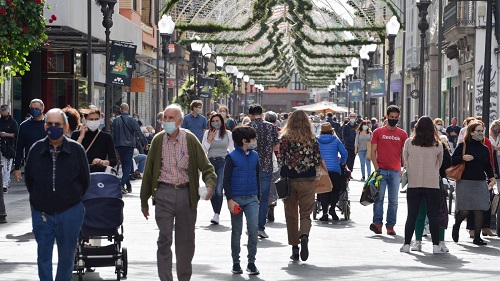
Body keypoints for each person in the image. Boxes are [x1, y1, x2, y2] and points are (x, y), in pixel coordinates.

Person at [140, 104, 216, 281]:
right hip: (163, 193)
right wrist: (144, 201)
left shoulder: (189, 139)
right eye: (164, 118)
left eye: (170, 118)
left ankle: (184, 277)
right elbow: (149, 172)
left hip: (185, 195)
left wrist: (210, 185)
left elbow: (207, 168)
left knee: (185, 241)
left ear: (180, 121)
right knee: (164, 237)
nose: (166, 121)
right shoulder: (158, 140)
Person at [25, 108, 90, 281]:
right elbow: (29, 179)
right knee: (43, 257)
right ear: (45, 126)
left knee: (67, 257)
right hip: (42, 213)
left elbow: (85, 180)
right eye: (50, 124)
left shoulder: (76, 150)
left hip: (70, 211)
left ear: (66, 127)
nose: (53, 127)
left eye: (58, 124)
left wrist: (71, 199)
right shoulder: (36, 149)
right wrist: (38, 201)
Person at [277, 110, 322, 261]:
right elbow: (317, 159)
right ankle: (304, 235)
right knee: (306, 213)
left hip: (289, 180)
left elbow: (280, 159)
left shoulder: (284, 138)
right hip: (308, 180)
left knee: (291, 214)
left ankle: (294, 247)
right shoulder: (312, 139)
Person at [399, 116, 445, 254]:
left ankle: (407, 244)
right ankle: (436, 246)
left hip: (414, 183)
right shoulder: (438, 144)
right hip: (432, 184)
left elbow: (405, 160)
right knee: (433, 216)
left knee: (412, 215)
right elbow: (440, 162)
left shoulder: (409, 142)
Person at [223, 126, 260, 275]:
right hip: (236, 199)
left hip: (252, 198)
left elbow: (257, 175)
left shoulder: (255, 155)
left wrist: (258, 196)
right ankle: (236, 262)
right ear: (245, 141)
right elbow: (226, 180)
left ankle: (251, 262)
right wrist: (230, 199)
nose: (255, 141)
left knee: (253, 229)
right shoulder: (231, 157)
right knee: (236, 231)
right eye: (253, 139)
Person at [451, 121, 496, 246]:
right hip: (464, 181)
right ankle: (456, 225)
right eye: (478, 131)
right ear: (471, 133)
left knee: (479, 208)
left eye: (482, 131)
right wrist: (462, 158)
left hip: (480, 182)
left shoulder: (485, 149)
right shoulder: (463, 146)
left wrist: (492, 177)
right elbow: (452, 160)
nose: (481, 133)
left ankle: (477, 237)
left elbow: (487, 165)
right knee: (464, 210)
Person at [370, 105, 408, 235]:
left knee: (394, 201)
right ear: (386, 117)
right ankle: (377, 224)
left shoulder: (403, 134)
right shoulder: (378, 132)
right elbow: (372, 151)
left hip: (396, 171)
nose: (393, 119)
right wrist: (376, 168)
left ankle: (390, 226)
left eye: (396, 117)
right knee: (378, 198)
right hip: (381, 171)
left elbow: (404, 154)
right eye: (391, 117)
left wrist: (403, 168)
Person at [410, 134, 452, 253]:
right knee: (425, 213)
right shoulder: (415, 144)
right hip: (424, 182)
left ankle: (438, 241)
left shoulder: (439, 145)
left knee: (437, 213)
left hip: (434, 183)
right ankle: (420, 241)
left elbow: (447, 163)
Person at [248, 104, 279, 239]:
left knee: (250, 198)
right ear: (262, 113)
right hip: (266, 166)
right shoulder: (271, 127)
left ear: (250, 114)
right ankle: (260, 227)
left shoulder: (247, 127)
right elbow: (276, 145)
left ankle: (251, 226)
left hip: (249, 167)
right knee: (264, 198)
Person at [202, 113, 235, 224]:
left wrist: (233, 164)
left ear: (222, 122)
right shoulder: (207, 133)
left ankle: (217, 214)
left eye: (218, 120)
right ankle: (215, 211)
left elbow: (231, 149)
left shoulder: (228, 134)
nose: (215, 123)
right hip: (210, 162)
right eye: (213, 121)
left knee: (219, 188)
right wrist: (210, 139)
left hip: (223, 161)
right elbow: (204, 150)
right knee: (212, 189)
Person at [111, 103, 147, 193]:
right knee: (127, 165)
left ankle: (128, 186)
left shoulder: (116, 120)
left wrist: (113, 145)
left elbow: (113, 134)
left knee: (124, 165)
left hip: (119, 145)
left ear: (120, 109)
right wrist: (145, 143)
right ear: (128, 109)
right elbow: (138, 132)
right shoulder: (132, 120)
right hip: (129, 145)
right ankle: (121, 185)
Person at [317, 123, 348, 221]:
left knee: (323, 190)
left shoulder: (317, 140)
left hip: (322, 169)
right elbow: (345, 153)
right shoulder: (335, 140)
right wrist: (341, 162)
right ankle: (333, 209)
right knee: (335, 190)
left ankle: (324, 213)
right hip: (335, 169)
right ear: (331, 130)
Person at [14, 99, 47, 182]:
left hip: (48, 162)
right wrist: (17, 167)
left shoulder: (50, 123)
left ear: (42, 109)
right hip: (32, 164)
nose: (34, 110)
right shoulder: (24, 126)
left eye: (37, 108)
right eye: (32, 109)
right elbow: (19, 147)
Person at [0, 105, 18, 193]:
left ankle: (5, 185)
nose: (3, 114)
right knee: (2, 167)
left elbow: (16, 134)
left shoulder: (13, 122)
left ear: (8, 112)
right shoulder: (0, 121)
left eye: (4, 112)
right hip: (1, 146)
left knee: (6, 167)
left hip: (8, 147)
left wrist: (6, 134)